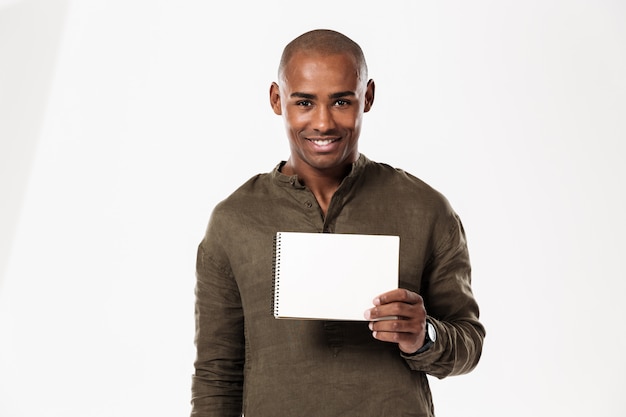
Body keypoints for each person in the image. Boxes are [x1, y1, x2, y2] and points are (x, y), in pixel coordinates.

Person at [191, 29, 485, 417]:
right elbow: (216, 372)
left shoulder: (425, 209)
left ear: (368, 97)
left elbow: (469, 343)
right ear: (278, 100)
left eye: (342, 101)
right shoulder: (235, 220)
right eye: (305, 102)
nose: (324, 123)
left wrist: (423, 335)